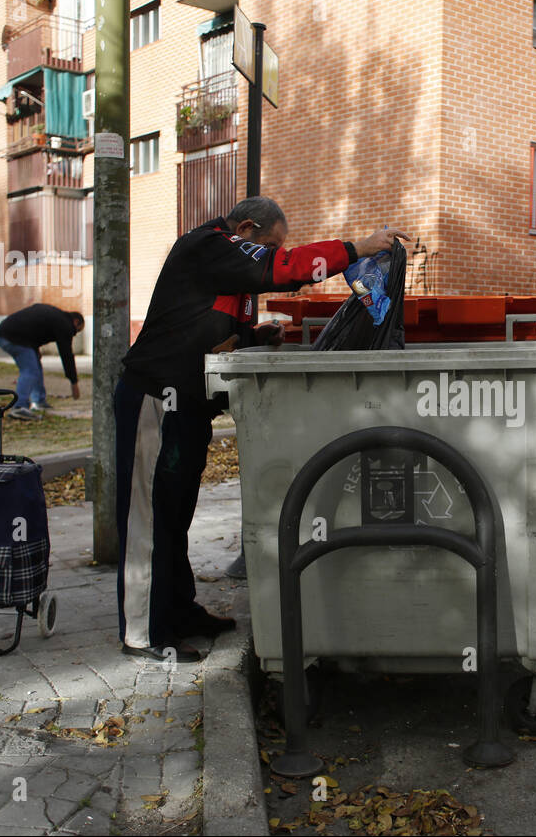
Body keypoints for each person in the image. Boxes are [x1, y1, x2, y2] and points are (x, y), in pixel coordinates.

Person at [115, 195, 409, 662]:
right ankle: (143, 632)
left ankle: (178, 609)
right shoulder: (208, 245)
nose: (269, 255)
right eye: (267, 245)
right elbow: (284, 268)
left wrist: (256, 337)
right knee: (149, 518)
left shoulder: (224, 269)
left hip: (189, 406)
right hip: (156, 397)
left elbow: (208, 328)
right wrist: (356, 247)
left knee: (176, 514)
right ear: (246, 229)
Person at [0, 303, 84, 419]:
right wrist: (74, 382)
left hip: (8, 333)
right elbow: (66, 354)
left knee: (35, 365)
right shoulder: (65, 324)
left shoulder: (56, 316)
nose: (73, 334)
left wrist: (35, 348)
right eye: (76, 331)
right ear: (76, 322)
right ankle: (19, 407)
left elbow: (32, 326)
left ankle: (39, 401)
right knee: (30, 370)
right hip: (13, 337)